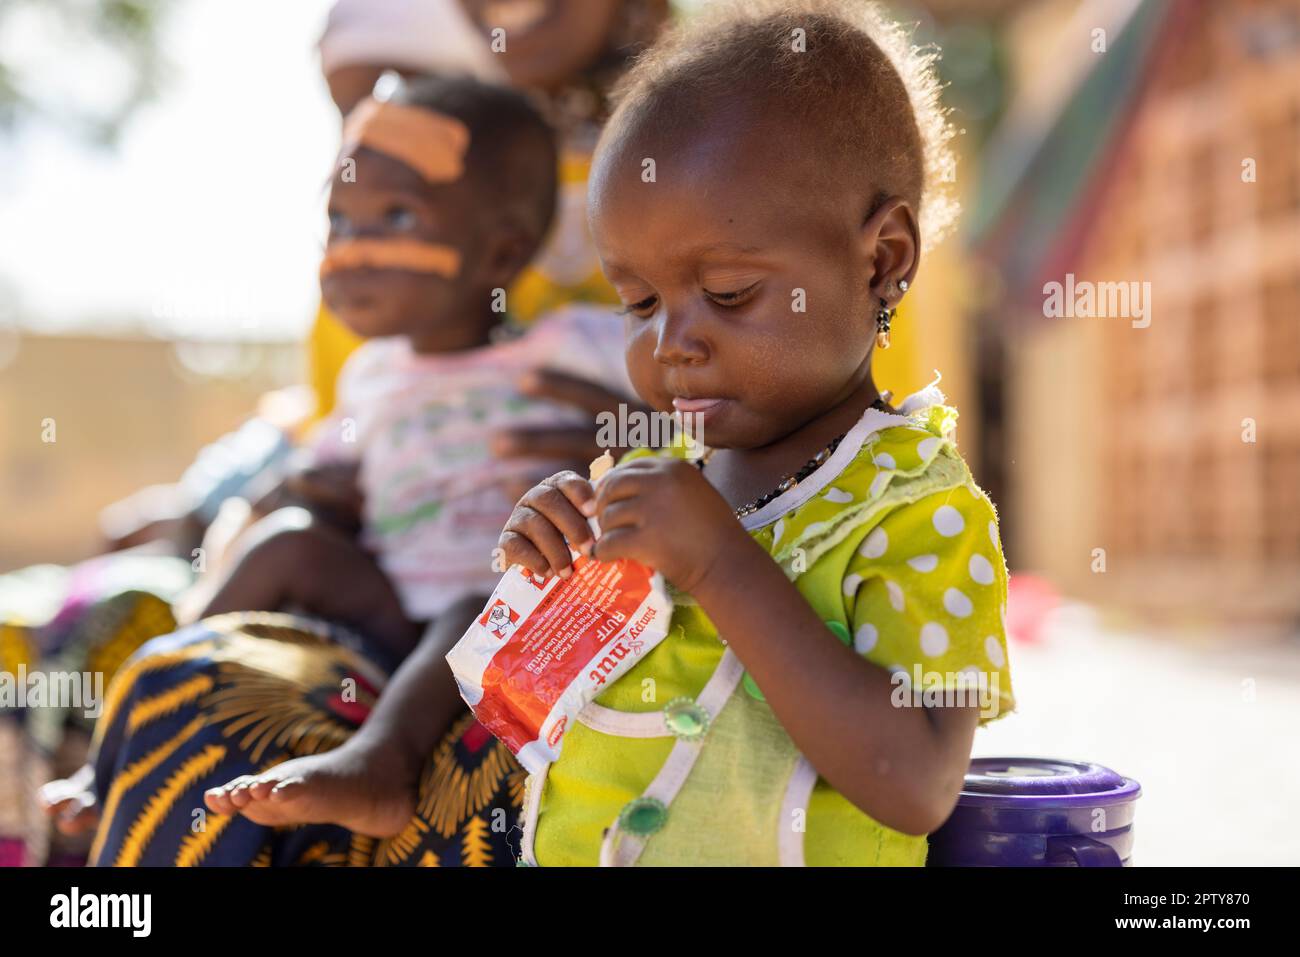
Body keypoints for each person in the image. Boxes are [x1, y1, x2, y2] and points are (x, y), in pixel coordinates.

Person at [495, 0, 1016, 866]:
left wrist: (720, 564)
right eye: (639, 302)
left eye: (730, 292)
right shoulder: (656, 472)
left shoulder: (924, 514)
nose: (671, 344)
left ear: (882, 259)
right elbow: (545, 720)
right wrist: (547, 565)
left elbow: (916, 781)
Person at [65, 75, 629, 867]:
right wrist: (283, 499)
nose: (351, 249)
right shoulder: (369, 376)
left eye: (394, 217)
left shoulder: (568, 348)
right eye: (339, 218)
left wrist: (625, 438)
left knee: (470, 599)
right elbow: (314, 473)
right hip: (384, 609)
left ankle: (381, 766)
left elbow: (686, 418)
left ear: (500, 250)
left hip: (500, 623)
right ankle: (116, 744)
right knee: (288, 541)